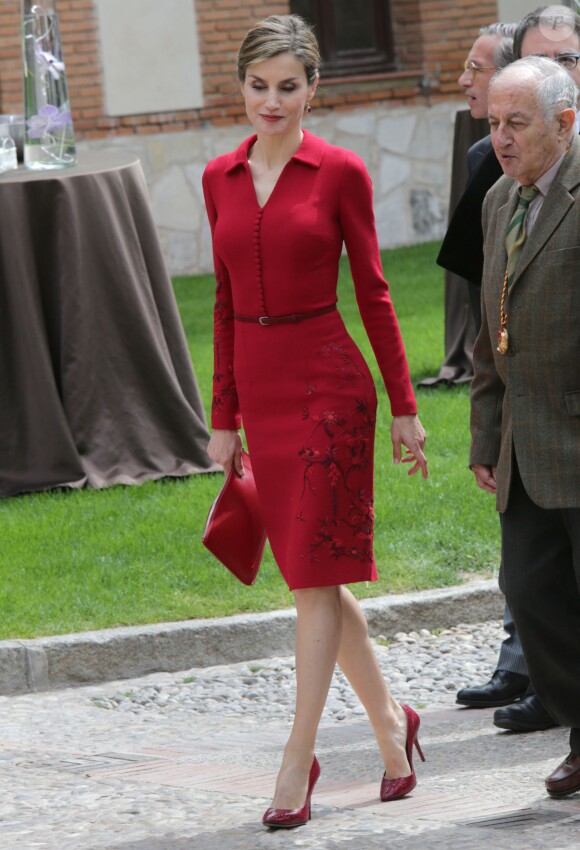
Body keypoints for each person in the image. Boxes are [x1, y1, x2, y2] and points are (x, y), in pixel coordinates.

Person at [202, 14, 428, 829]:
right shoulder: (218, 177)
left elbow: (374, 290)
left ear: (313, 88)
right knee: (318, 572)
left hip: (332, 388)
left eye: (287, 86)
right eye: (258, 86)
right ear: (241, 87)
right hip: (260, 395)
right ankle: (391, 727)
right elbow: (225, 306)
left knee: (311, 576)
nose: (272, 100)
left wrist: (404, 408)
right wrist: (222, 417)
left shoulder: (340, 172)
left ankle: (298, 758)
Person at [456, 4, 580, 733]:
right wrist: (484, 435)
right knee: (533, 596)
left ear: (564, 125)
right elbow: (488, 325)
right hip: (524, 445)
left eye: (517, 124)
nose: (499, 139)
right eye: (494, 124)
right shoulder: (498, 197)